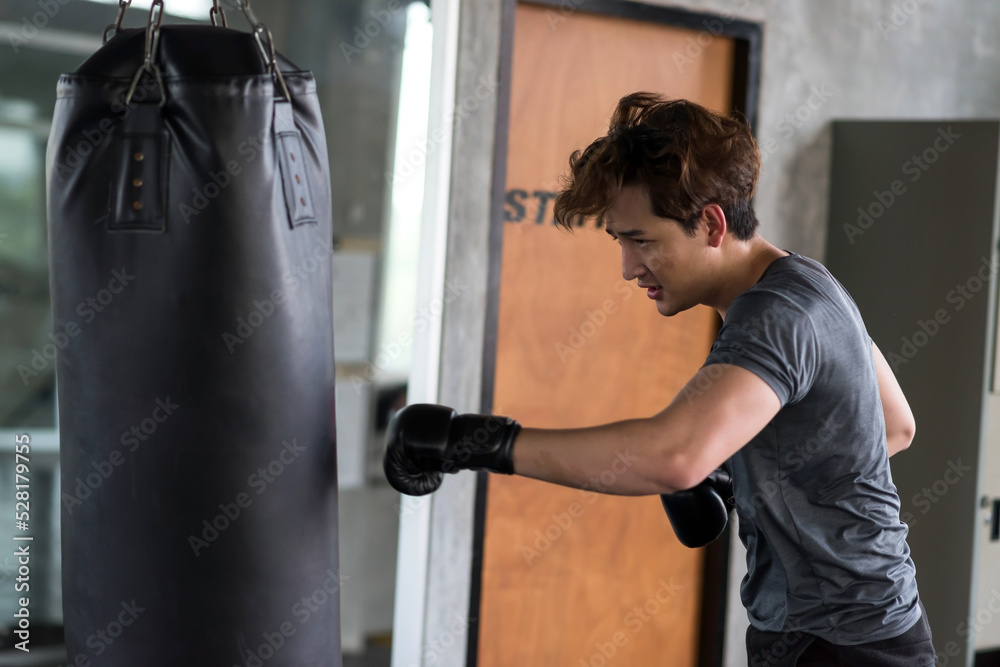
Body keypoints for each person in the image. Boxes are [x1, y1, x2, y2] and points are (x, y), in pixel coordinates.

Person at [383, 92, 936, 667]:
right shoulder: (807, 281)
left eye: (642, 240)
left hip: (834, 644)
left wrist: (474, 441)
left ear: (712, 223)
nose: (627, 268)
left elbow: (674, 457)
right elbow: (895, 425)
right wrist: (740, 468)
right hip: (873, 628)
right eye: (620, 241)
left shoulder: (775, 317)